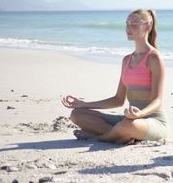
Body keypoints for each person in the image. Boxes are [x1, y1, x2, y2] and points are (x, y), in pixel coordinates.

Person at [62, 9, 167, 143]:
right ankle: (122, 135)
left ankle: (98, 137)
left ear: (148, 26)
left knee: (129, 125)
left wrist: (139, 114)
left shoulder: (154, 58)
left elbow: (157, 101)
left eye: (134, 24)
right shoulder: (126, 60)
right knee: (77, 114)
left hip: (152, 121)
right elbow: (118, 100)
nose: (128, 28)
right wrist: (83, 104)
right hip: (129, 119)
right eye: (127, 24)